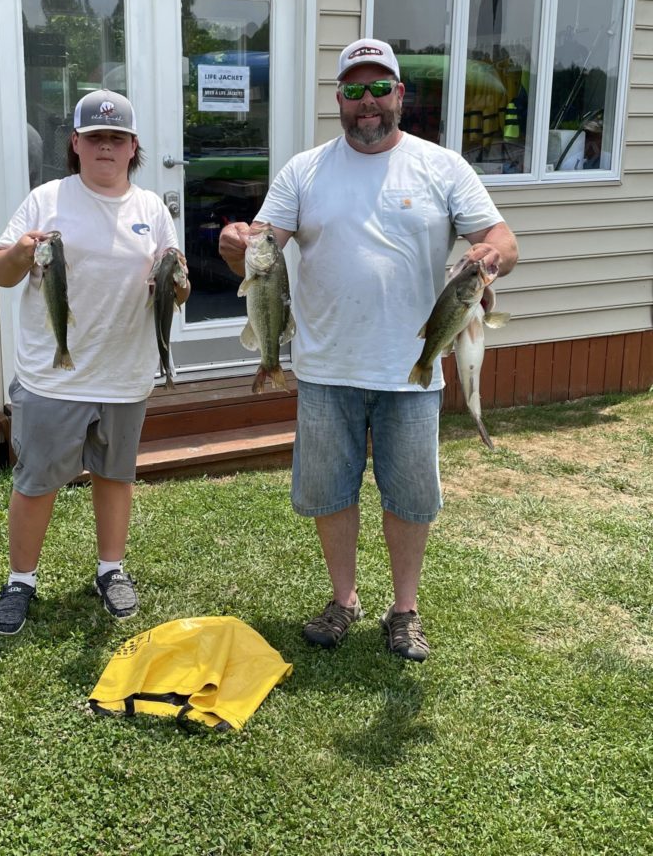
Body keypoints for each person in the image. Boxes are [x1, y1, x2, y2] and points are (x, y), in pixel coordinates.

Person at [219, 38, 518, 662]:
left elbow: (500, 238)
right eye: (354, 90)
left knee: (409, 495)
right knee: (332, 491)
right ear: (339, 100)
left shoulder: (441, 166)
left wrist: (491, 255)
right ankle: (344, 599)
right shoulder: (304, 170)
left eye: (380, 87)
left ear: (400, 95)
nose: (368, 102)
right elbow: (262, 245)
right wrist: (235, 242)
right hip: (326, 366)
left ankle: (404, 610)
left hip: (411, 368)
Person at [0, 89, 190, 635]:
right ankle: (21, 581)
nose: (106, 147)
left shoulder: (151, 208)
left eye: (116, 138)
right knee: (37, 481)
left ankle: (110, 568)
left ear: (133, 147)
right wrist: (22, 252)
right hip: (53, 376)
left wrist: (179, 283)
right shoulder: (46, 199)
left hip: (126, 374)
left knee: (115, 474)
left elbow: (178, 287)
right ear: (75, 143)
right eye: (95, 137)